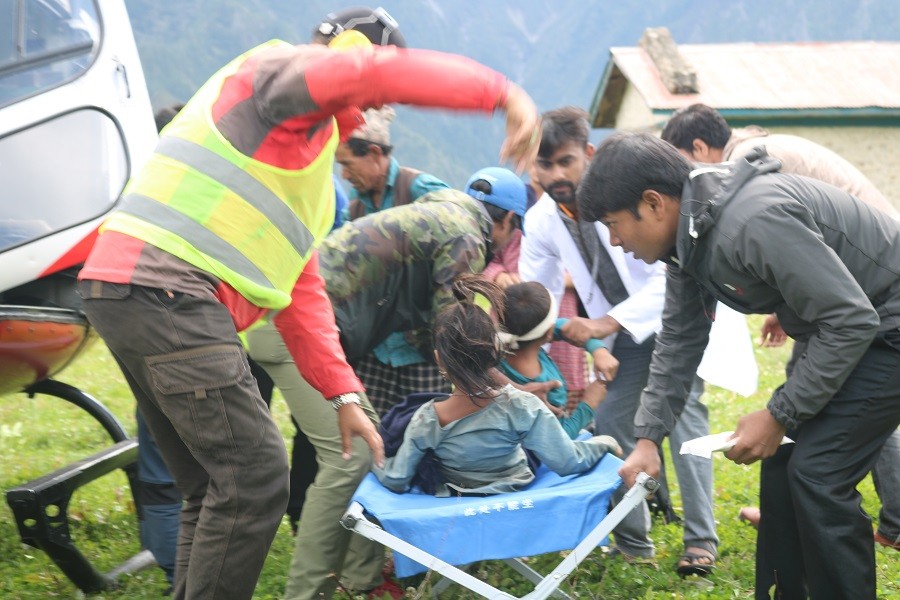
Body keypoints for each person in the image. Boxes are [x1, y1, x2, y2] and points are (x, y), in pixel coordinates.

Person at [76, 6, 541, 598]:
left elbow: (300, 291)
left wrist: (343, 392)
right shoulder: (275, 75)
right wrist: (502, 94)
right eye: (377, 98)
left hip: (129, 290)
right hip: (168, 286)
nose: (375, 116)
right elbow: (362, 75)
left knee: (212, 486)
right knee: (253, 478)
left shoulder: (311, 177)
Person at [581, 131, 900, 599]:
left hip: (886, 329)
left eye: (614, 223)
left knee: (818, 472)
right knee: (785, 458)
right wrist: (648, 439)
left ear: (653, 203)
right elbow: (680, 341)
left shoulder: (749, 220)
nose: (615, 240)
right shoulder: (690, 237)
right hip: (851, 330)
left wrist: (778, 414)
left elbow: (850, 319)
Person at [245, 183, 530, 599]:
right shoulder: (466, 235)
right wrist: (513, 393)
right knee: (352, 456)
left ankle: (361, 581)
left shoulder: (437, 212)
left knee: (371, 446)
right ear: (505, 222)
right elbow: (455, 339)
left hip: (298, 319)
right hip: (294, 325)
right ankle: (306, 593)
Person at [661, 103, 900, 550]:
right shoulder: (754, 155)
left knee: (851, 405)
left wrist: (778, 415)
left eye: (679, 169)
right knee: (823, 396)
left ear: (698, 148)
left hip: (872, 283)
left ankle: (886, 521)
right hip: (846, 277)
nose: (680, 188)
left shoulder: (740, 170)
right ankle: (793, 513)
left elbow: (782, 235)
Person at [520, 106, 733, 574]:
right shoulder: (539, 222)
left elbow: (673, 275)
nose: (555, 174)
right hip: (620, 336)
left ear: (588, 154)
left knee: (683, 420)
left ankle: (701, 541)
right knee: (613, 421)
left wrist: (605, 326)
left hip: (675, 320)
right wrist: (537, 363)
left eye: (565, 161)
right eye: (544, 164)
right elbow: (539, 302)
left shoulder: (629, 198)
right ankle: (634, 542)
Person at [373, 276, 622, 496]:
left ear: (439, 359)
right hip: (516, 489)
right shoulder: (522, 406)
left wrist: (373, 462)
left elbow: (397, 479)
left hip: (457, 495)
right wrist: (605, 442)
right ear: (495, 349)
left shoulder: (427, 419)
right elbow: (569, 461)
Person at [497, 280, 617, 439]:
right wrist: (589, 404)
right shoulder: (546, 387)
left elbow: (561, 326)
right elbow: (558, 439)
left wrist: (598, 350)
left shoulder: (497, 351)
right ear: (548, 332)